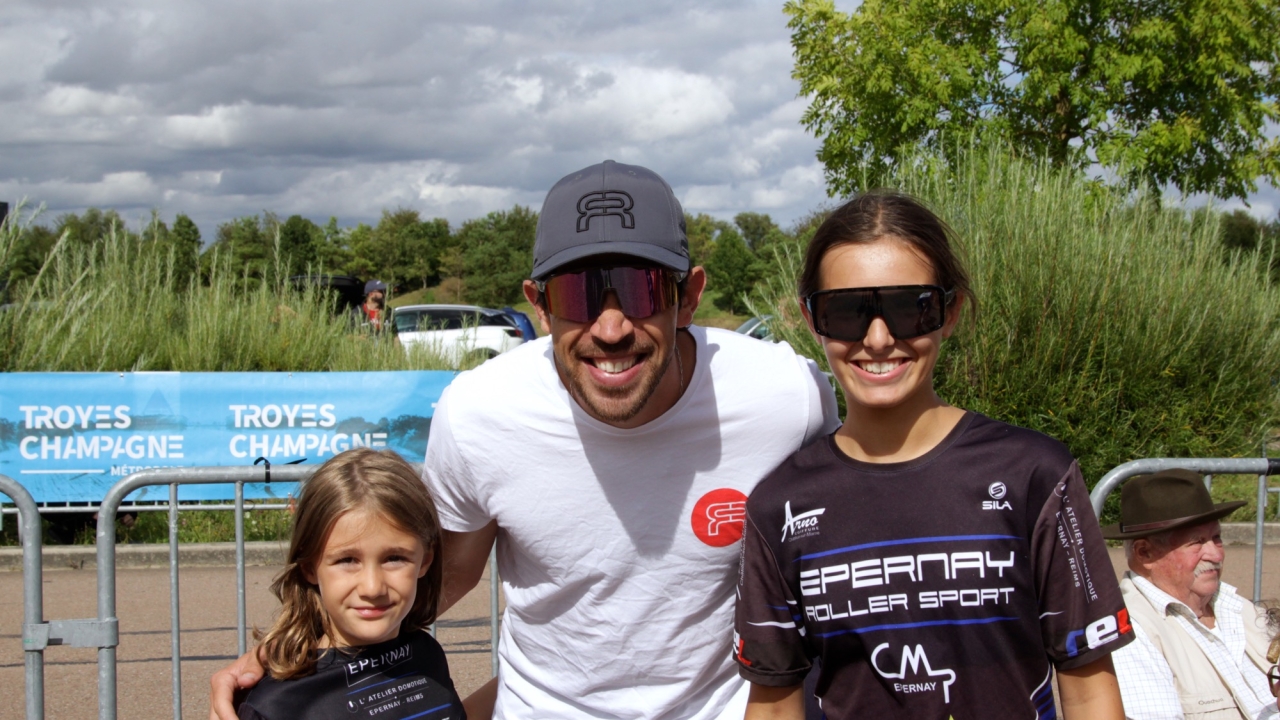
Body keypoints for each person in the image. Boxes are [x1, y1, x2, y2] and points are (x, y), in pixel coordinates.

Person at [211, 159, 839, 720]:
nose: (611, 326)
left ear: (689, 296)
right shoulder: (481, 412)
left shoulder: (786, 396)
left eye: (642, 288)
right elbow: (435, 580)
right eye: (577, 293)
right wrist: (282, 654)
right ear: (539, 305)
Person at [733, 191, 1131, 719]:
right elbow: (775, 704)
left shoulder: (1036, 474)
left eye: (907, 307)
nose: (878, 339)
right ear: (812, 320)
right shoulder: (778, 505)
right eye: (847, 312)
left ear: (950, 311)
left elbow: (1088, 688)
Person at [235, 447, 465, 720]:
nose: (372, 587)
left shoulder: (426, 655)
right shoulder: (276, 705)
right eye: (347, 560)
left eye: (394, 558)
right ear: (309, 566)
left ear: (425, 561)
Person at [1106, 469, 1278, 719]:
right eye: (1196, 542)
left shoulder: (1238, 608)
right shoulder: (1131, 631)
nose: (1217, 555)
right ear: (1145, 553)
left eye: (1216, 538)